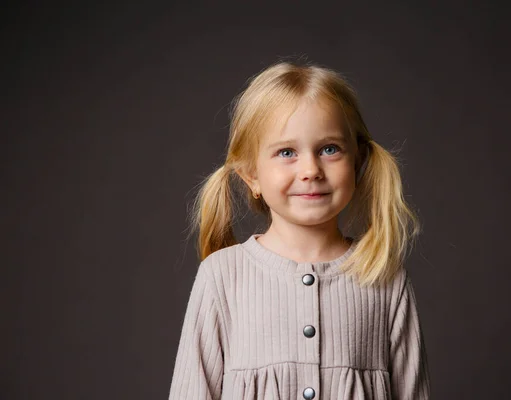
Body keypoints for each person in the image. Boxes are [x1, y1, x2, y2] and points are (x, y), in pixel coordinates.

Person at [168, 59, 430, 399]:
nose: (311, 169)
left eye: (329, 149)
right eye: (286, 152)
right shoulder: (221, 276)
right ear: (252, 175)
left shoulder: (385, 278)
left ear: (358, 161)